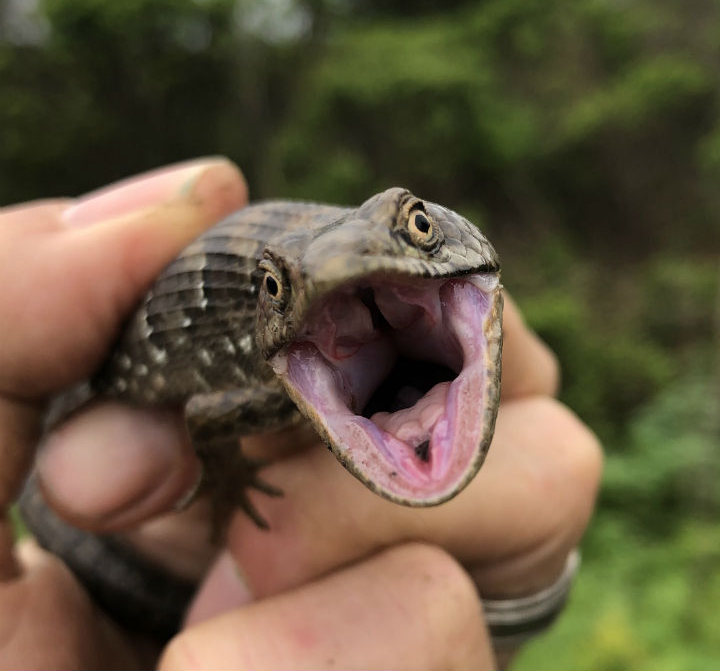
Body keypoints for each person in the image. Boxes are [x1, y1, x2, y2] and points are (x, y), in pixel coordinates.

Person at [0, 158, 602, 670]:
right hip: (83, 401)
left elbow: (211, 416)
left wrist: (514, 612)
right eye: (277, 289)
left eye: (418, 224)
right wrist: (227, 479)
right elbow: (206, 418)